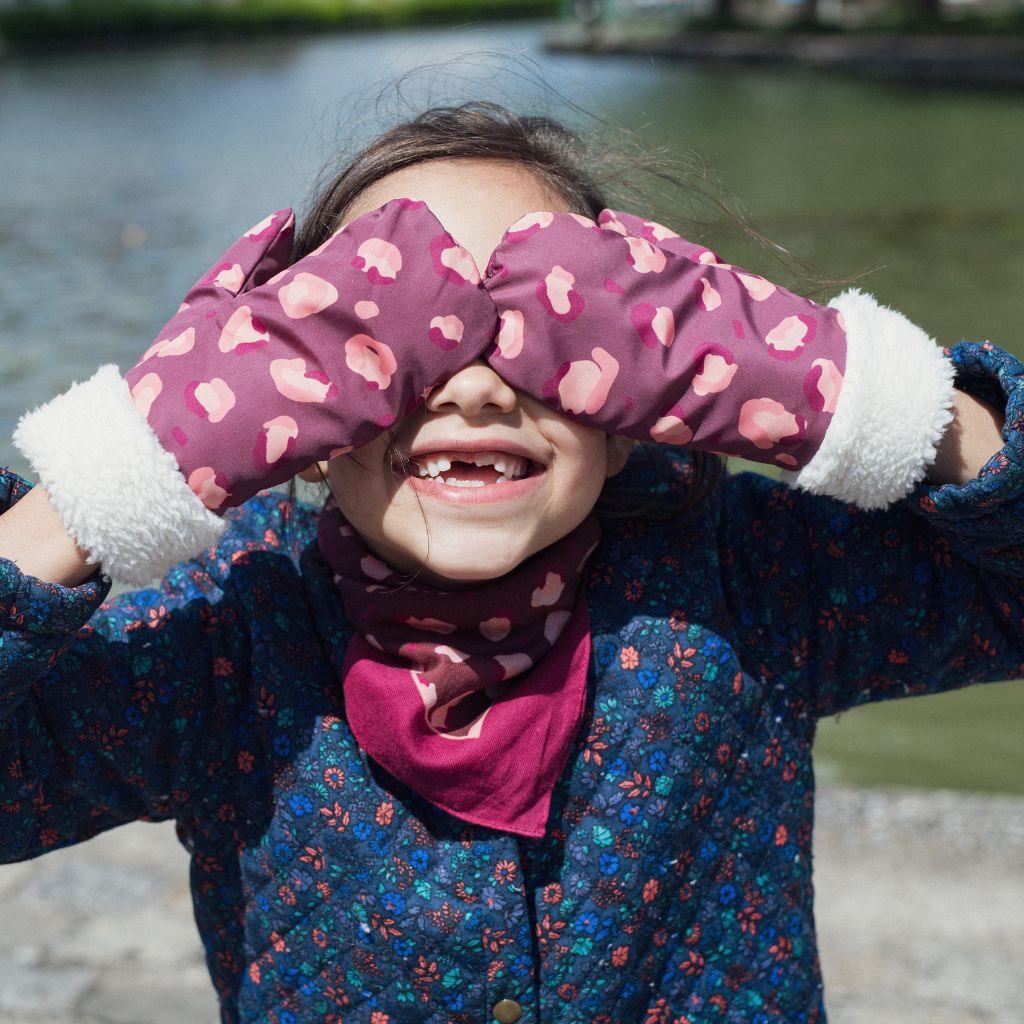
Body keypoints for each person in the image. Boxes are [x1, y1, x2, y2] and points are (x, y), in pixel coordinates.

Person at [0, 99, 1019, 1024]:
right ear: (288, 410)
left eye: (545, 330)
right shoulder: (229, 635)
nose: (477, 389)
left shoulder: (750, 576)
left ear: (641, 401)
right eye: (390, 335)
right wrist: (121, 471)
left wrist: (842, 388)